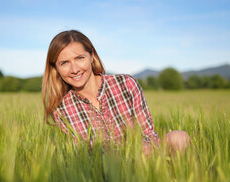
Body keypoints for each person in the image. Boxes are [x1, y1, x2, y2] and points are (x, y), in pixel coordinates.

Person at [42, 30, 189, 155]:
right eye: (64, 63)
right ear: (56, 68)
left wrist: (138, 150)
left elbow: (149, 134)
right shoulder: (62, 110)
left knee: (179, 138)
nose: (74, 69)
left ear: (91, 57)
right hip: (105, 171)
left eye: (79, 58)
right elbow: (82, 155)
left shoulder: (126, 84)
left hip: (145, 155)